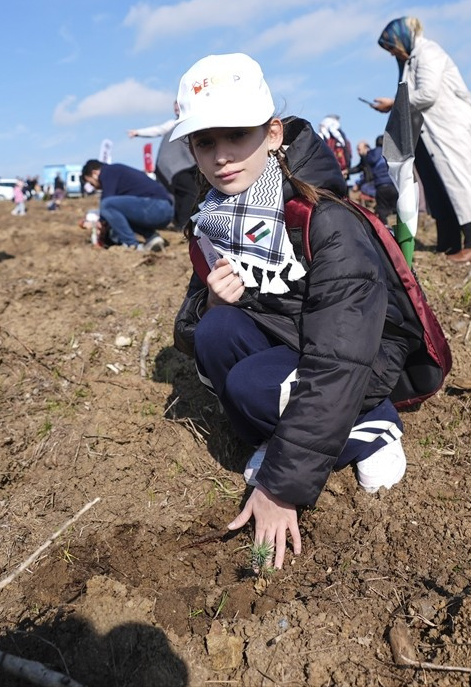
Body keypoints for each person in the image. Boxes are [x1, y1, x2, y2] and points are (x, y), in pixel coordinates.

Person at [171, 52, 425, 570]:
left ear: (271, 133)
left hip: (362, 359)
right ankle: (278, 433)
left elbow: (342, 354)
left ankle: (373, 428)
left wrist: (282, 488)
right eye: (205, 142)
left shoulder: (323, 219)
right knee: (216, 333)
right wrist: (211, 302)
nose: (221, 157)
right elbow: (190, 329)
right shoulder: (216, 219)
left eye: (236, 135)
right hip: (296, 343)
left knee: (249, 385)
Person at [371, 16, 471, 263]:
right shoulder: (411, 60)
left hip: (448, 128)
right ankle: (448, 243)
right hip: (426, 132)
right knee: (437, 188)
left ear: (403, 38)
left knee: (458, 181)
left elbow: (428, 94)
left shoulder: (428, 52)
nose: (392, 54)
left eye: (392, 47)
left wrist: (393, 104)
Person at [129, 102, 199, 228]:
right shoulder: (176, 124)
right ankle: (185, 225)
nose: (177, 109)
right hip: (174, 166)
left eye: (179, 106)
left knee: (181, 194)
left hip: (173, 166)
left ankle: (180, 223)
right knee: (190, 192)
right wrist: (138, 132)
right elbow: (157, 130)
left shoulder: (184, 123)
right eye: (175, 107)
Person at [80, 160, 173, 251]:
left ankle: (131, 245)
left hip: (156, 207)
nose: (94, 187)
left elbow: (106, 202)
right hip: (165, 210)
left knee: (107, 205)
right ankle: (152, 237)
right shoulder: (117, 173)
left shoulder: (108, 171)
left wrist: (99, 223)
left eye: (92, 183)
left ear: (95, 173)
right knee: (120, 212)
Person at [352, 136, 399, 225]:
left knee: (381, 210)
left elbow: (363, 170)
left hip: (380, 187)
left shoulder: (370, 156)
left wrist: (358, 183)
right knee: (396, 209)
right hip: (393, 185)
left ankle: (385, 231)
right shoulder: (389, 153)